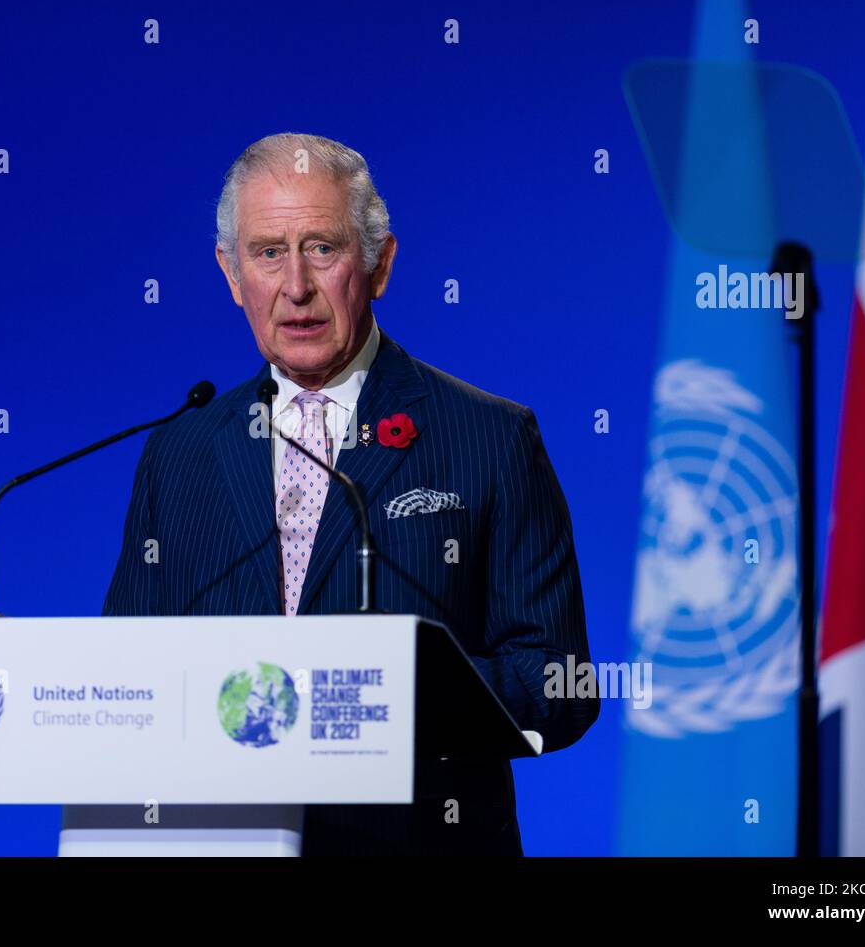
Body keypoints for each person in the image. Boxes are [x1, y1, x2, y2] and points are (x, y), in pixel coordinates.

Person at [65, 132, 598, 856]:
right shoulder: (180, 452)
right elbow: (127, 675)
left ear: (379, 264)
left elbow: (560, 684)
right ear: (230, 273)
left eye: (322, 247)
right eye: (267, 252)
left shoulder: (491, 438)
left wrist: (393, 695)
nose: (295, 287)